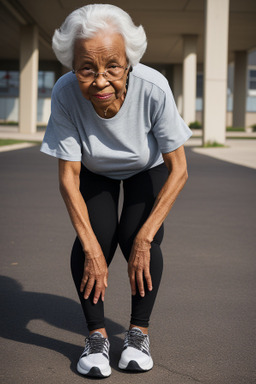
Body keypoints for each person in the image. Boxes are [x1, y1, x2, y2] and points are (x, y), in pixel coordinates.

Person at [41, 3, 192, 378]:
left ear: (129, 62)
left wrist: (143, 240)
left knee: (138, 238)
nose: (101, 80)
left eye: (113, 66)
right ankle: (96, 337)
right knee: (96, 239)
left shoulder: (153, 87)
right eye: (86, 69)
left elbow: (180, 170)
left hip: (147, 167)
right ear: (72, 66)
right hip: (95, 170)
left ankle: (139, 333)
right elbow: (68, 178)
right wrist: (92, 248)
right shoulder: (64, 93)